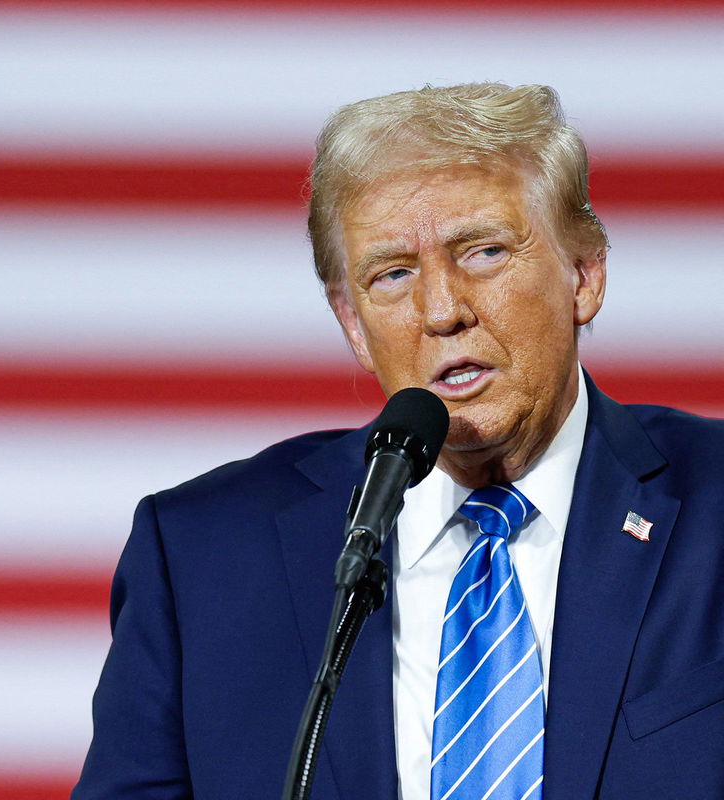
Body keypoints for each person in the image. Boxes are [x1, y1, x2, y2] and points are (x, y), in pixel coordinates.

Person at [71, 83, 724, 800]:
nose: (442, 310)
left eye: (483, 251)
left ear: (585, 275)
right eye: (394, 274)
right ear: (352, 323)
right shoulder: (203, 559)